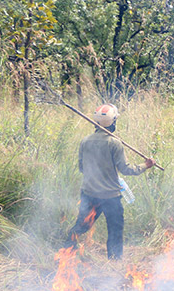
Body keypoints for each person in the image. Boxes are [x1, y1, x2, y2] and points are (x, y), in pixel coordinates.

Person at [66, 104, 156, 260]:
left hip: (89, 194)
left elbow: (81, 168)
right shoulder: (114, 143)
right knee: (115, 230)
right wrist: (145, 165)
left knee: (81, 226)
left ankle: (66, 251)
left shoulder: (85, 141)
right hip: (110, 198)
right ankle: (114, 262)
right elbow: (126, 169)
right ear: (113, 122)